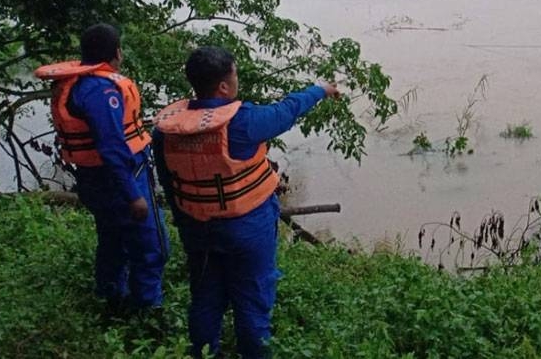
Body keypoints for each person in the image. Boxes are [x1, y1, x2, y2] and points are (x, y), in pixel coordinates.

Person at [152, 45, 339, 359]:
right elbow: (288, 109)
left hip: (197, 227)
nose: (237, 79)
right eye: (235, 73)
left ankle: (203, 354)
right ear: (224, 86)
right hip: (247, 229)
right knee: (252, 302)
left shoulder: (167, 130)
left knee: (205, 298)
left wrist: (185, 223)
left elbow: (171, 184)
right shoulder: (244, 122)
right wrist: (319, 89)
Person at [34, 23, 167, 314]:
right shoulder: (100, 90)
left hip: (92, 177)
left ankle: (110, 299)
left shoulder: (77, 85)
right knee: (151, 245)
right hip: (120, 178)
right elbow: (111, 147)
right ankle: (146, 310)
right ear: (116, 53)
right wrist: (134, 195)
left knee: (112, 238)